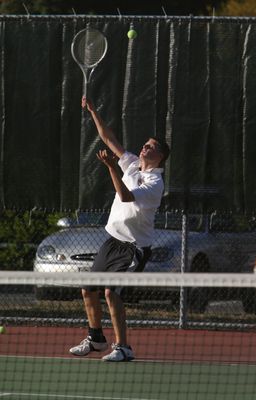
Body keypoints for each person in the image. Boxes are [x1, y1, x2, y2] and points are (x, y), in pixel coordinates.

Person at [69, 96, 170, 362]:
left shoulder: (155, 184)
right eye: (145, 144)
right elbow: (107, 137)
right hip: (112, 241)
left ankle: (123, 347)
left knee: (111, 293)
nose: (145, 147)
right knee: (88, 289)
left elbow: (125, 196)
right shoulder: (133, 163)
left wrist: (112, 168)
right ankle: (96, 339)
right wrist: (93, 111)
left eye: (151, 146)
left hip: (134, 248)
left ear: (160, 157)